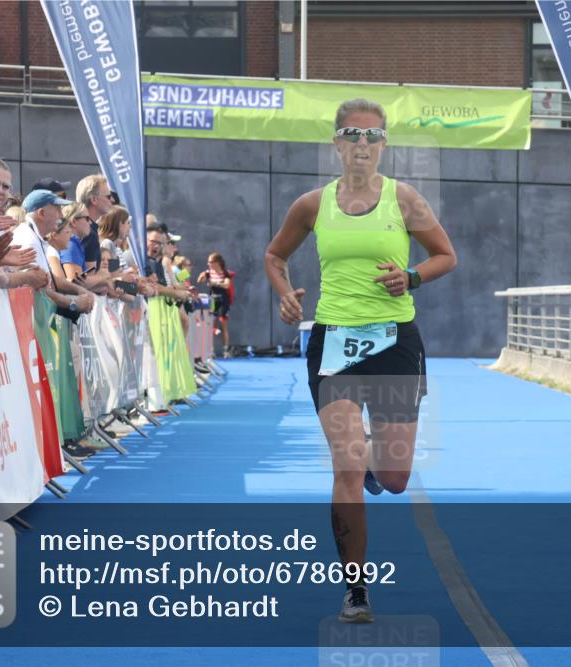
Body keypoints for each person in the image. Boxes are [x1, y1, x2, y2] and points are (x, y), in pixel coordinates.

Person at [263, 98, 457, 623]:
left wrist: (412, 277)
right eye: (352, 134)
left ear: (384, 145)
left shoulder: (405, 199)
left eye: (372, 136)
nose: (362, 144)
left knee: (393, 477)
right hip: (334, 342)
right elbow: (274, 255)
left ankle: (376, 465)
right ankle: (356, 589)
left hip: (394, 341)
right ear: (337, 144)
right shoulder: (311, 204)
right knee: (346, 465)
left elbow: (446, 255)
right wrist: (284, 293)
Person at [197, 252, 233, 357]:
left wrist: (215, 284)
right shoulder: (208, 273)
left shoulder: (225, 273)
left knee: (223, 324)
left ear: (217, 262)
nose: (208, 264)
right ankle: (210, 350)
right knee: (212, 324)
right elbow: (200, 281)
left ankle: (226, 349)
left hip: (223, 300)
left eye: (211, 262)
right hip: (213, 299)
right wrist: (201, 276)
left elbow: (227, 285)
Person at [76, 174, 114, 270]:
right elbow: (89, 278)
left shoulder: (87, 229)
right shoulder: (87, 232)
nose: (112, 200)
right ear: (94, 199)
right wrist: (108, 278)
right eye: (108, 196)